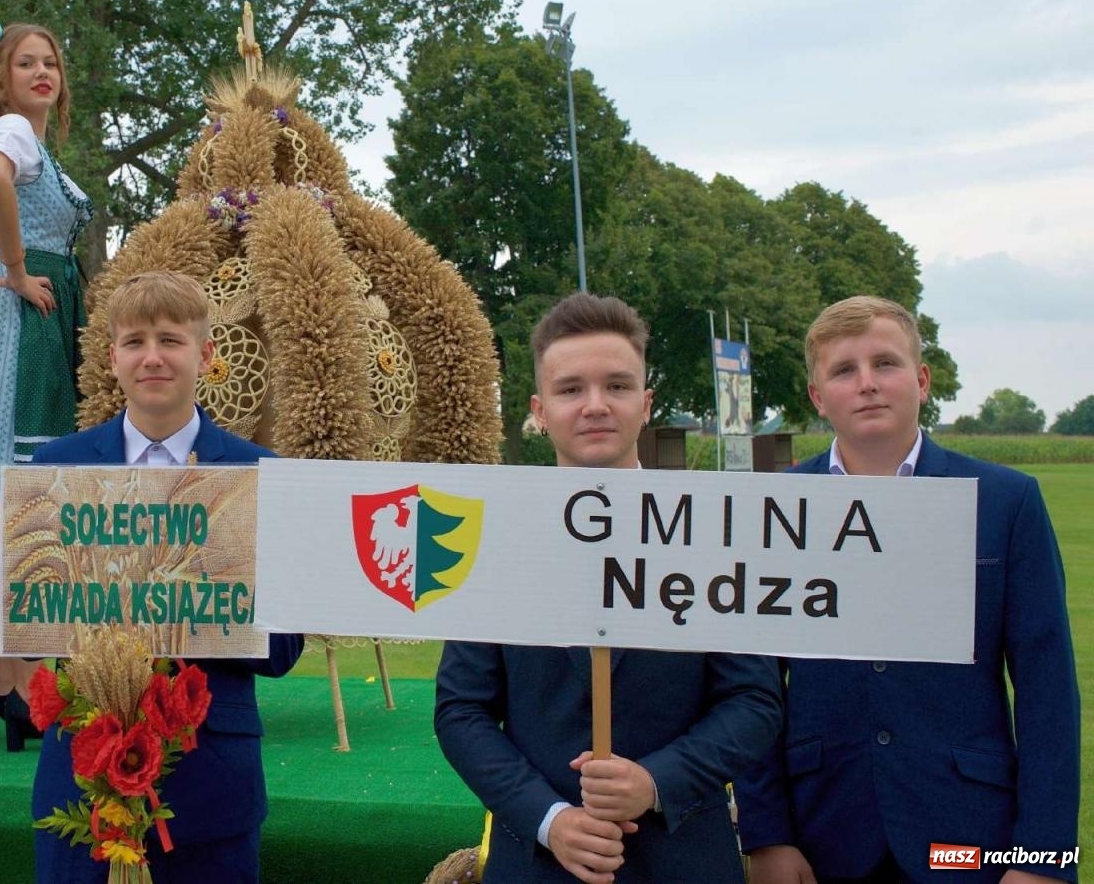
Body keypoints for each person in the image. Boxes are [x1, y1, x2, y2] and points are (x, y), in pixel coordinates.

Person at [434, 292, 783, 884]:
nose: (595, 405)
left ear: (646, 404)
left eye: (617, 386)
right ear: (540, 411)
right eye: (571, 390)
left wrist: (655, 782)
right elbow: (461, 709)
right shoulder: (494, 538)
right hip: (538, 864)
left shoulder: (714, 533)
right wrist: (549, 820)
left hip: (684, 861)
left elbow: (754, 702)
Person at [735, 296, 1080, 884]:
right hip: (823, 833)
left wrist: (1043, 859)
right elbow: (751, 686)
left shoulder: (1004, 501)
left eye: (885, 364)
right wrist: (767, 834)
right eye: (844, 371)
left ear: (921, 380)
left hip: (969, 835)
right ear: (819, 397)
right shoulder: (773, 508)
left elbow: (1047, 691)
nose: (867, 384)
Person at [29, 270, 304, 884]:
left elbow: (286, 646)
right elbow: (32, 619)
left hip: (211, 782)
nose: (152, 357)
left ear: (206, 355)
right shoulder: (53, 468)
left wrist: (187, 604)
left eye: (171, 340)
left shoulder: (262, 474)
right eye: (134, 341)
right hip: (82, 778)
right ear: (112, 358)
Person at [0, 21, 93, 750]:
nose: (43, 71)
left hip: (29, 313)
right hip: (20, 316)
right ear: (1, 78)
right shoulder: (12, 130)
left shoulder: (37, 139)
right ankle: (16, 677)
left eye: (52, 61)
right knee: (21, 500)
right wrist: (13, 266)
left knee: (10, 504)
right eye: (26, 62)